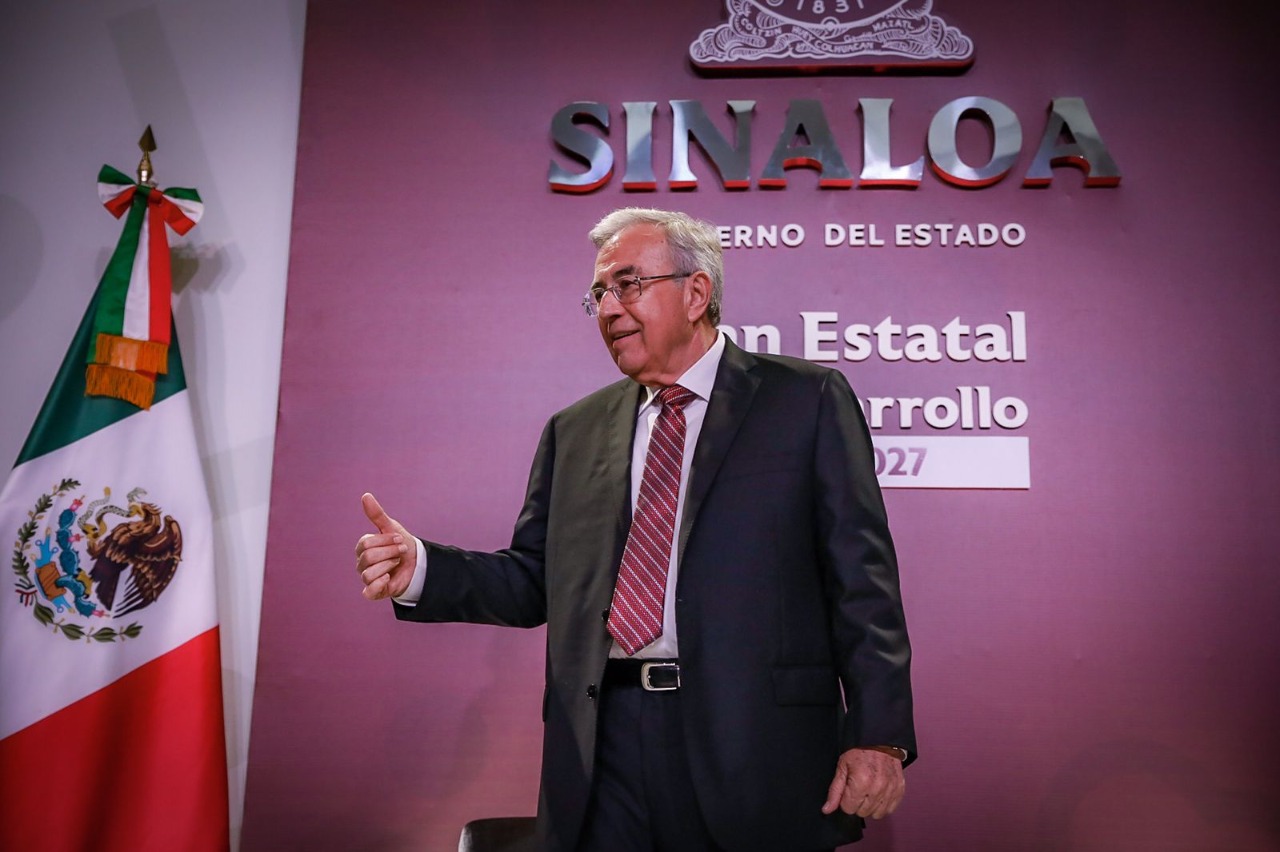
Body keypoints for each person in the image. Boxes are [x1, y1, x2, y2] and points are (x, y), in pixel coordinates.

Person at [355, 208, 915, 852]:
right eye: (598, 293)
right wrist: (423, 568)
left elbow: (861, 581)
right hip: (604, 746)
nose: (608, 309)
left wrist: (878, 735)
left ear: (696, 293)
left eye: (628, 285)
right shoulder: (574, 430)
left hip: (755, 745)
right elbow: (536, 581)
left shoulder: (805, 400)